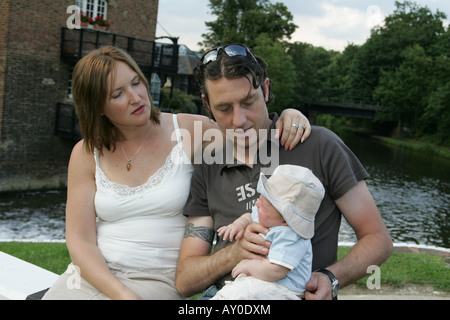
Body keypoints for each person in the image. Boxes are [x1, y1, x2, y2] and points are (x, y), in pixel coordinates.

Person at [42, 46, 311, 300]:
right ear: (98, 107)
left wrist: (289, 114)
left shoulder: (190, 132)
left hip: (158, 282)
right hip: (93, 277)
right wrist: (121, 294)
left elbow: (249, 125)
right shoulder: (86, 152)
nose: (136, 97)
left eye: (136, 82)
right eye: (118, 94)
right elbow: (80, 240)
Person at [175, 44, 393, 300]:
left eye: (248, 102)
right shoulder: (209, 167)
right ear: (207, 104)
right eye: (224, 108)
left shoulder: (319, 145)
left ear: (265, 89)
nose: (239, 120)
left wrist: (330, 277)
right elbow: (185, 281)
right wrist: (234, 254)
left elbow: (378, 239)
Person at [211, 165, 325, 300]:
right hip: (265, 280)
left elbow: (276, 270)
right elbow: (249, 215)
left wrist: (249, 265)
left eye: (263, 205)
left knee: (235, 295)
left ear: (286, 220)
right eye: (260, 199)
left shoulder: (290, 237)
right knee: (237, 292)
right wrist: (238, 225)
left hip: (283, 289)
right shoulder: (267, 216)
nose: (257, 204)